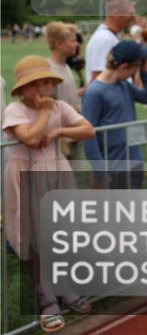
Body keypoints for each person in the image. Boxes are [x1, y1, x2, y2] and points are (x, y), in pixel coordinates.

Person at [3, 56, 95, 332]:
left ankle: (65, 289)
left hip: (57, 173)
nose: (43, 89)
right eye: (35, 84)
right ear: (22, 89)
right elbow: (30, 137)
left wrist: (59, 131)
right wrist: (43, 114)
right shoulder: (15, 109)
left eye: (46, 82)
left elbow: (87, 130)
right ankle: (47, 300)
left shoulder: (60, 106)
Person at [81, 40, 147, 187]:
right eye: (136, 67)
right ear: (124, 67)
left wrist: (146, 72)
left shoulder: (124, 85)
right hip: (113, 168)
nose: (137, 70)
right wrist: (100, 172)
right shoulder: (95, 92)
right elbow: (88, 135)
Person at [44, 22, 83, 158]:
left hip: (72, 135)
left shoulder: (65, 67)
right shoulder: (48, 70)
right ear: (59, 44)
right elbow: (46, 107)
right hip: (59, 140)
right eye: (73, 41)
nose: (77, 44)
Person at [84, 0, 136, 83]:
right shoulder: (104, 38)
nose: (133, 18)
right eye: (130, 14)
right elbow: (99, 76)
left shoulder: (110, 36)